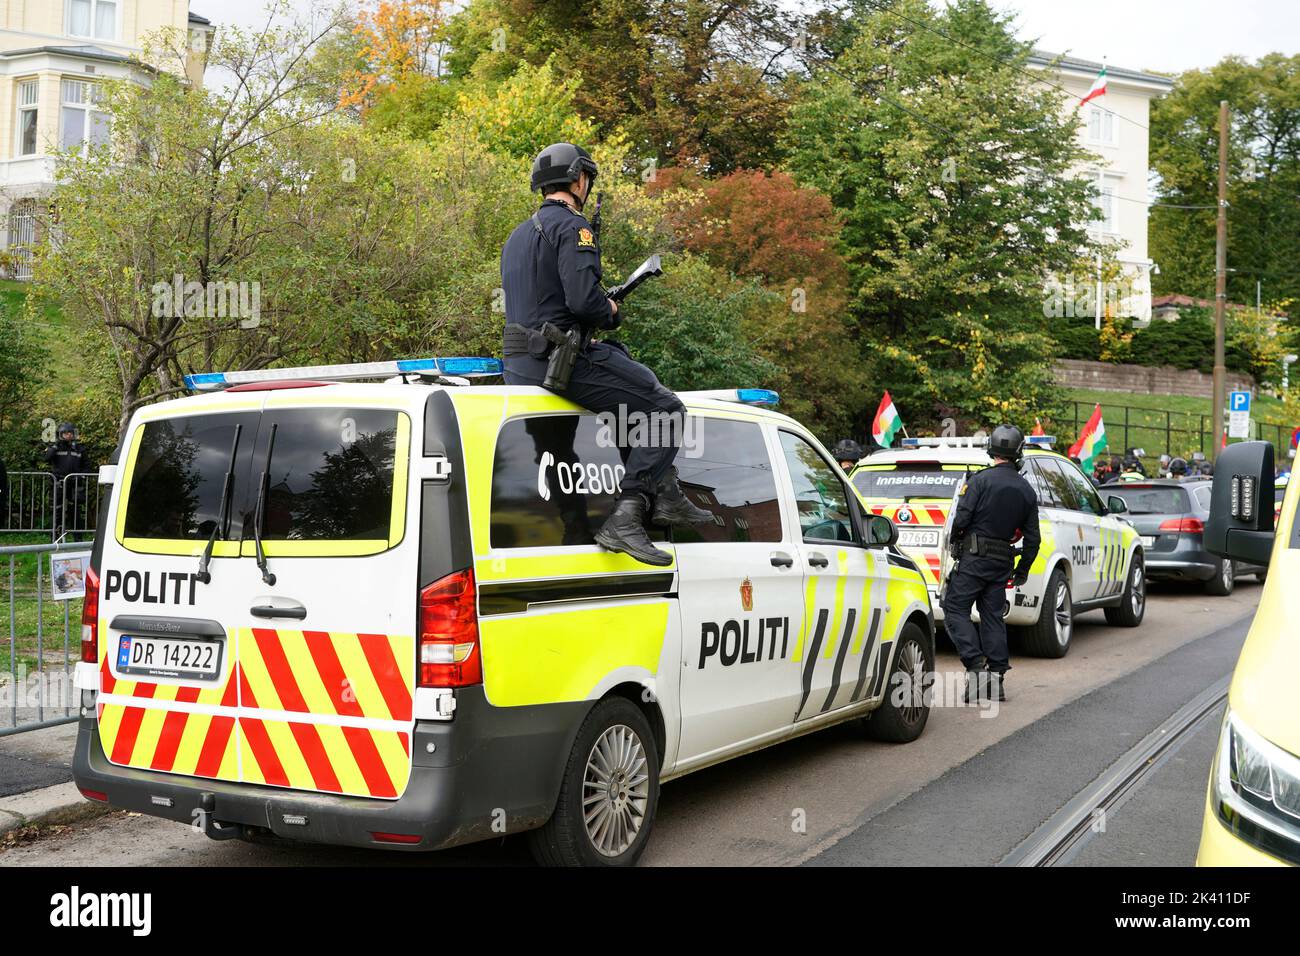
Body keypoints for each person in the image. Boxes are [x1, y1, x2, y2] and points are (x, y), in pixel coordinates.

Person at [499, 142, 712, 567]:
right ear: (579, 179)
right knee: (664, 408)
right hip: (561, 361)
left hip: (518, 366)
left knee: (559, 451)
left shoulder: (517, 235)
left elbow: (538, 304)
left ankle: (592, 523)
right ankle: (629, 513)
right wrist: (609, 309)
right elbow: (583, 303)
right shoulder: (573, 228)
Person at [942, 424, 1040, 703]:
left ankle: (975, 669)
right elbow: (1034, 539)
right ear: (1018, 452)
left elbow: (960, 520)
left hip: (974, 559)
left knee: (954, 608)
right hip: (1002, 563)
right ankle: (996, 679)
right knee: (992, 617)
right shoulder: (1026, 490)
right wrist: (1022, 571)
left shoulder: (979, 481)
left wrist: (957, 540)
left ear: (992, 449)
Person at [44, 422, 94, 538]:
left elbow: (87, 466)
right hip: (59, 483)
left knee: (76, 512)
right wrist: (54, 447)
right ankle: (55, 538)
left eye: (70, 433)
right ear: (61, 434)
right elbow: (46, 459)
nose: (68, 435)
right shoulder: (56, 447)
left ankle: (78, 538)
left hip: (75, 484)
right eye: (66, 433)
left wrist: (81, 475)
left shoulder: (80, 448)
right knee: (57, 511)